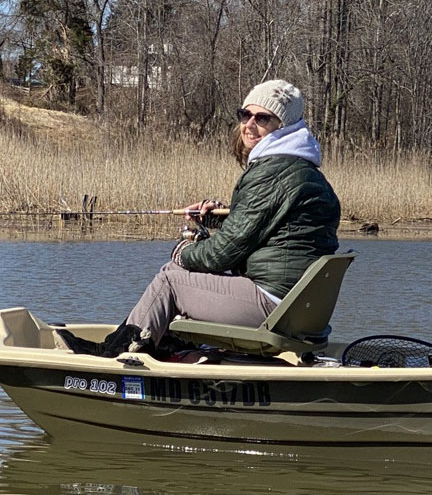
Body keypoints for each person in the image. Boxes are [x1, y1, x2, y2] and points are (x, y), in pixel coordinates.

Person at [59, 79, 341, 357]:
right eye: (245, 114)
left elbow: (222, 255)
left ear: (284, 125)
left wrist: (184, 252)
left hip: (272, 306)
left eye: (263, 118)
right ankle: (165, 345)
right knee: (183, 276)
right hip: (298, 311)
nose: (249, 124)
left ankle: (115, 353)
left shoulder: (273, 172)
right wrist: (215, 219)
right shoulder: (308, 173)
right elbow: (274, 228)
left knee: (170, 277)